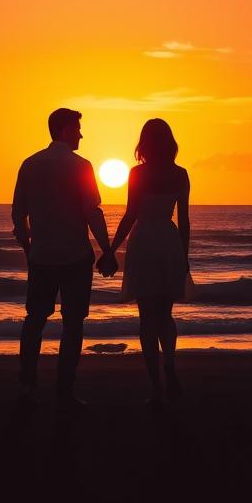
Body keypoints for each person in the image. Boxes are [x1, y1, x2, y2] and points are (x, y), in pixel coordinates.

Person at [12, 108, 117, 407]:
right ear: (64, 130)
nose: (81, 134)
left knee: (35, 319)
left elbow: (19, 214)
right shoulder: (81, 166)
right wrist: (106, 250)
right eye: (78, 128)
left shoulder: (29, 165)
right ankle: (65, 390)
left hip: (42, 256)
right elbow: (91, 213)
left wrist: (27, 249)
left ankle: (28, 384)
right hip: (74, 256)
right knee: (73, 323)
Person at [109, 118, 190, 404]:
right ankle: (169, 363)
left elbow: (130, 215)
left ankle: (155, 385)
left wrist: (110, 249)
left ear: (144, 143)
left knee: (147, 317)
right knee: (165, 314)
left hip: (144, 240)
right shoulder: (180, 174)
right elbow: (184, 221)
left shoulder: (137, 173)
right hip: (168, 241)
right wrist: (185, 256)